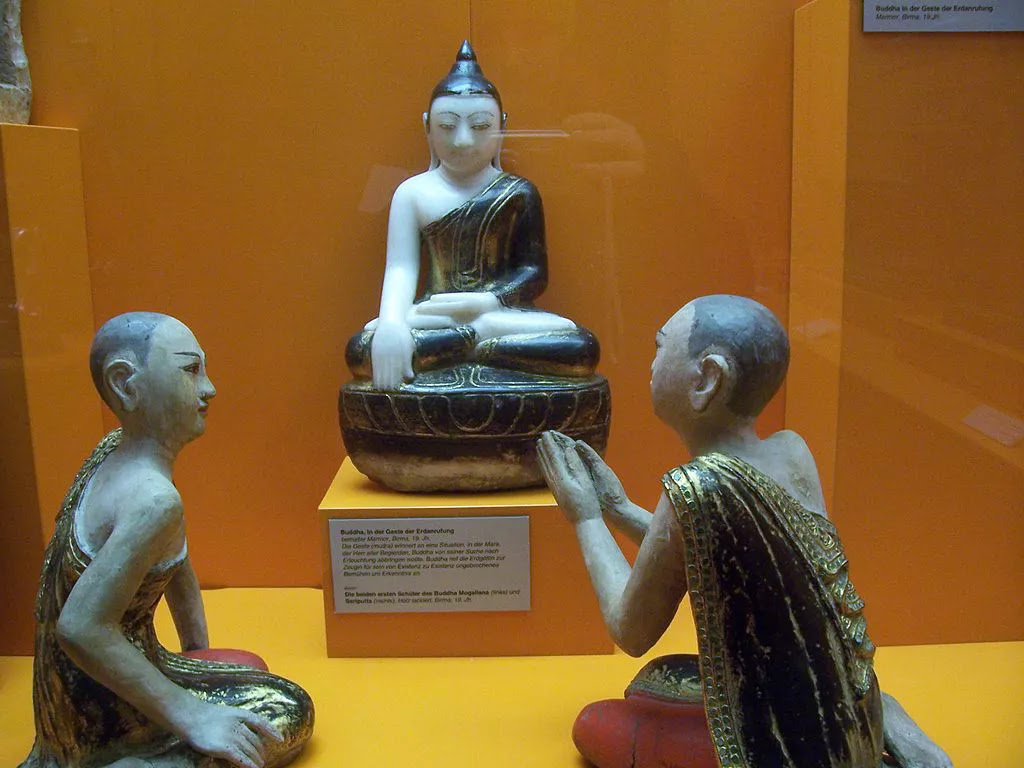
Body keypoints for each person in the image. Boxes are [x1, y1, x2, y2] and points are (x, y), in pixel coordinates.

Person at [537, 295, 952, 768]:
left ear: (707, 379)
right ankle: (885, 725)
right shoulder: (791, 452)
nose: (650, 364)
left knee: (597, 724)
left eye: (661, 347)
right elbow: (709, 554)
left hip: (787, 747)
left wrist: (586, 516)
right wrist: (619, 507)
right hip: (849, 703)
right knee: (657, 679)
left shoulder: (697, 488)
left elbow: (630, 630)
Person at [20, 312, 313, 768]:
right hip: (102, 706)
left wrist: (198, 651)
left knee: (247, 674)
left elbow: (174, 561)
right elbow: (80, 627)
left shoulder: (113, 453)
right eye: (190, 370)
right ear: (126, 384)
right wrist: (192, 714)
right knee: (287, 708)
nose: (209, 388)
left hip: (96, 684)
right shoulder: (153, 500)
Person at [346, 40, 599, 390]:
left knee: (581, 348)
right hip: (435, 317)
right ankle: (473, 341)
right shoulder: (412, 193)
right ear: (427, 127)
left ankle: (473, 337)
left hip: (498, 317)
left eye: (480, 127)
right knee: (363, 351)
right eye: (448, 127)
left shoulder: (519, 192)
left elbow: (533, 274)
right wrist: (391, 324)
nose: (463, 141)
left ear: (502, 127)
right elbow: (400, 268)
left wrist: (487, 301)